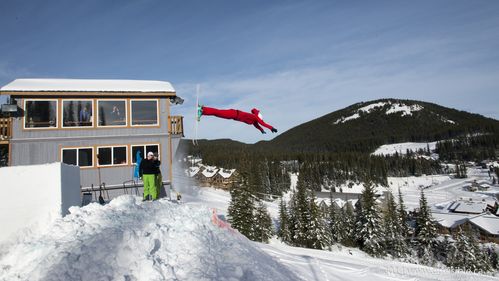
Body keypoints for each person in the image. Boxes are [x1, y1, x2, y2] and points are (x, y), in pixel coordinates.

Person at [198, 106, 278, 134]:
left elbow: (257, 125)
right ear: (259, 117)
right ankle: (203, 109)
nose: (261, 120)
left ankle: (203, 111)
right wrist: (271, 128)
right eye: (261, 119)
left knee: (217, 114)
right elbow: (263, 123)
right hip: (234, 113)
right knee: (218, 112)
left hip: (233, 116)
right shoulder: (255, 117)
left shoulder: (254, 120)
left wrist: (261, 130)